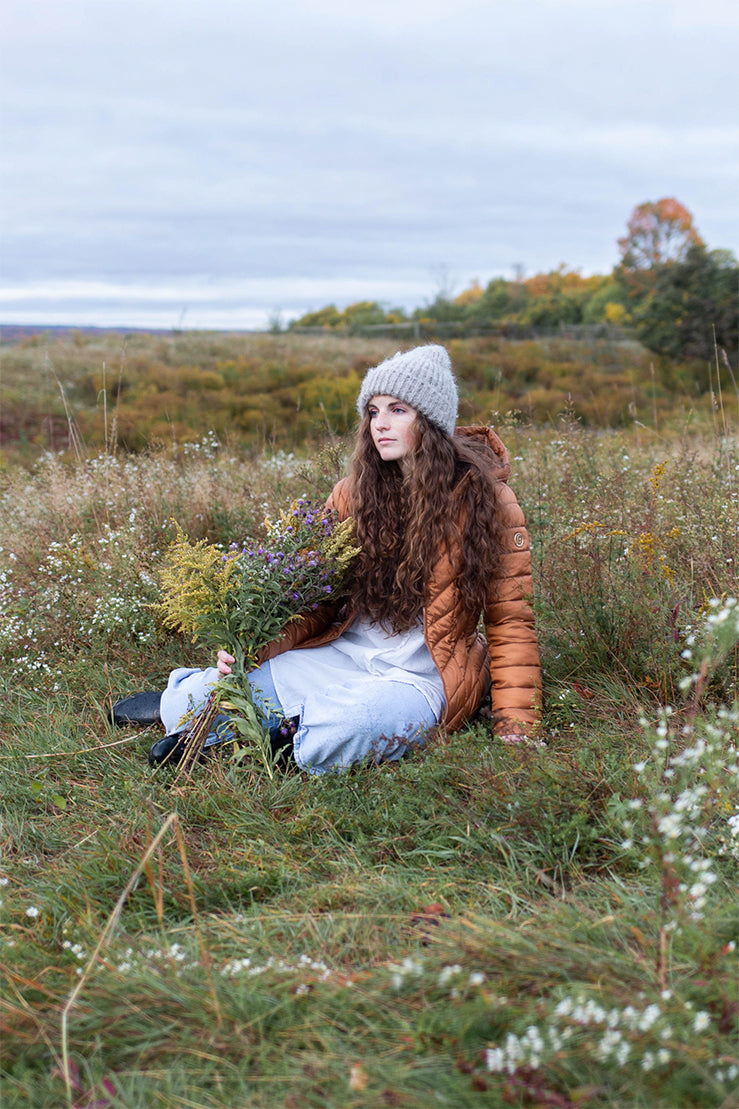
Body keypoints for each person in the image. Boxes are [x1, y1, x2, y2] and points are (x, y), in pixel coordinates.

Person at [111, 344, 542, 772]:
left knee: (356, 723)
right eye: (372, 411)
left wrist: (516, 725)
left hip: (419, 678)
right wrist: (254, 646)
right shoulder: (353, 494)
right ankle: (195, 701)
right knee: (198, 700)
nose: (380, 424)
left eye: (397, 410)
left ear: (430, 421)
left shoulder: (488, 501)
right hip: (342, 655)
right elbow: (312, 596)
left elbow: (510, 620)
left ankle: (272, 742)